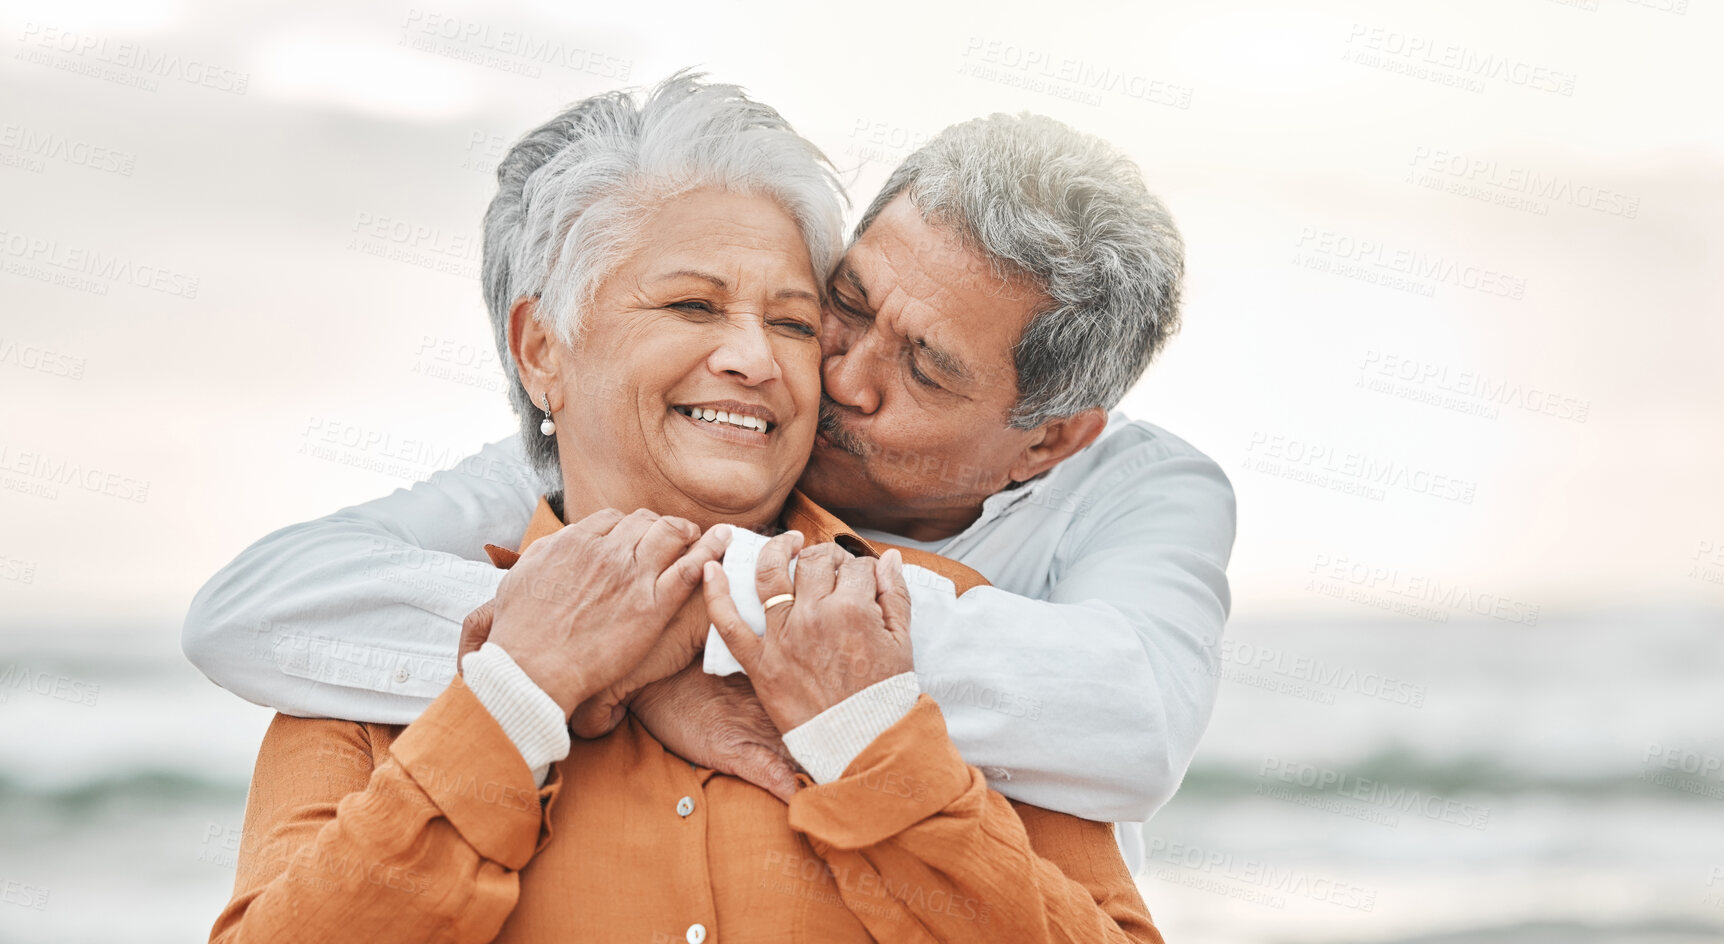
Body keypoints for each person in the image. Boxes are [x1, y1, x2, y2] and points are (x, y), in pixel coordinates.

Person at [198, 75, 1178, 944]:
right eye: (691, 306)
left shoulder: (937, 633)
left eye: (794, 320)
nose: (755, 357)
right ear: (541, 349)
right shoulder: (378, 648)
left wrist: (870, 746)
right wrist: (516, 697)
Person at [181, 102, 1237, 886]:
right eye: (843, 304)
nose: (839, 374)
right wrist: (616, 661)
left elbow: (1131, 723)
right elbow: (252, 609)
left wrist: (666, 620)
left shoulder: (1139, 490)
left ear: (1045, 440)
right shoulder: (647, 449)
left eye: (924, 367)